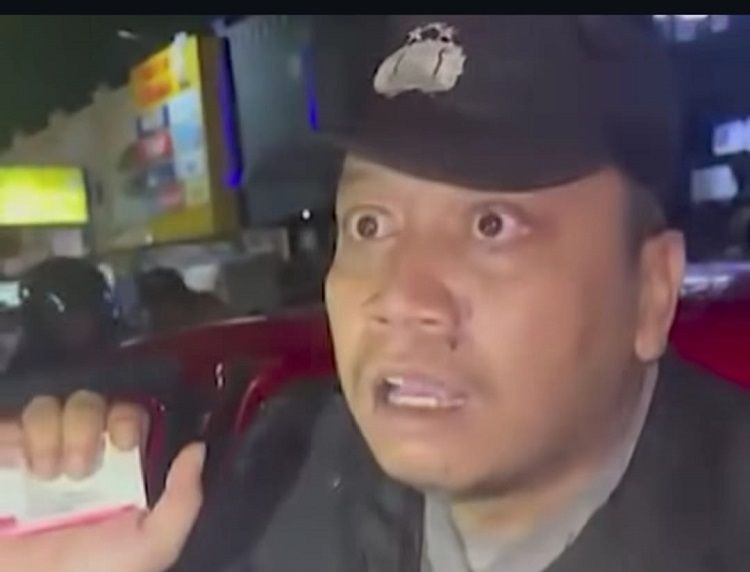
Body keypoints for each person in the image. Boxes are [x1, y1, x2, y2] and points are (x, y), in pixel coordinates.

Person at [1, 15, 749, 572]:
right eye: (369, 224)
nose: (399, 297)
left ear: (651, 292)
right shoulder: (282, 478)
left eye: (492, 225)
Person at [4, 257, 120, 376]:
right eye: (53, 309)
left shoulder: (125, 362)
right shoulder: (24, 373)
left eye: (79, 305)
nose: (71, 320)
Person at [136, 267, 227, 334]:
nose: (161, 312)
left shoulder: (209, 308)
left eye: (164, 302)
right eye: (154, 305)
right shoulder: (150, 329)